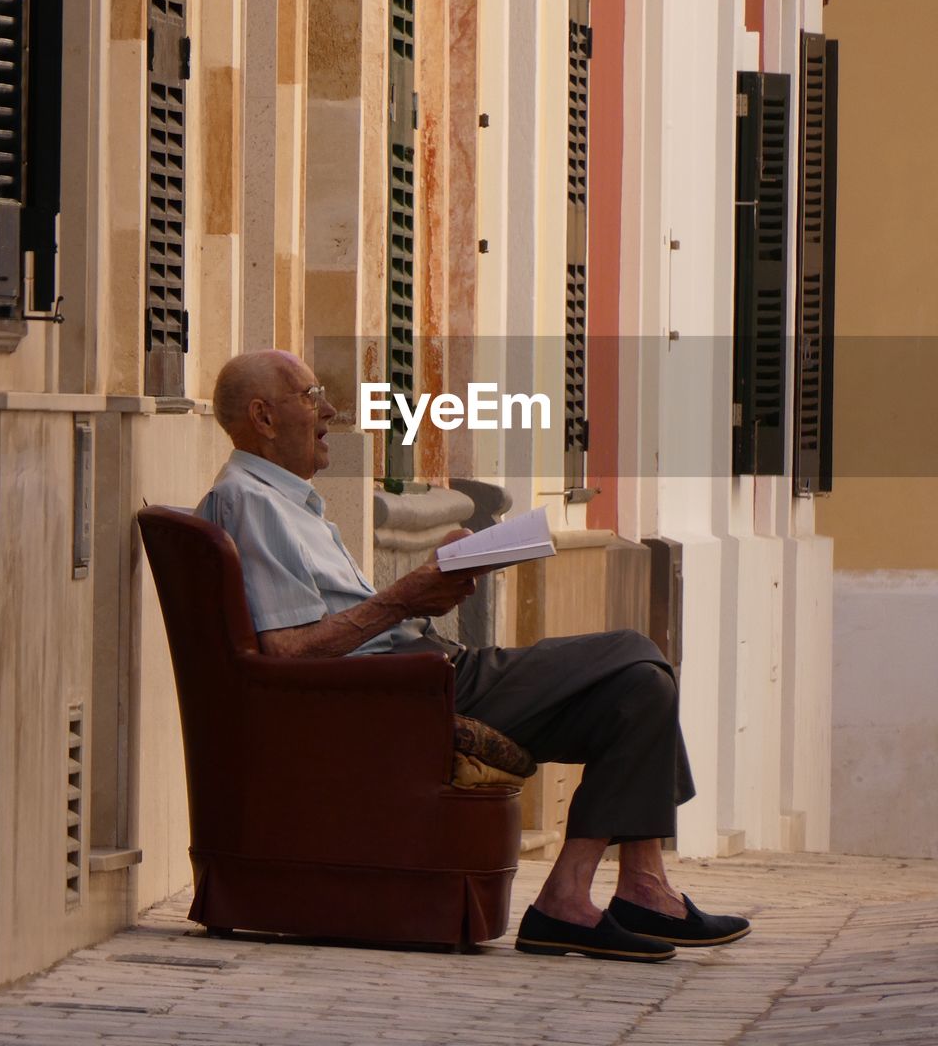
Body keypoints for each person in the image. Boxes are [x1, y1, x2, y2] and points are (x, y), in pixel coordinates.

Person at [197, 349, 750, 962]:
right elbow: (288, 654)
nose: (330, 410)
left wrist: (432, 576)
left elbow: (331, 623)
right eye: (311, 395)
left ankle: (606, 893)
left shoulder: (285, 502)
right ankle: (604, 896)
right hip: (406, 694)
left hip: (411, 676)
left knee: (642, 687)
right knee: (634, 650)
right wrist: (407, 597)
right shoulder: (251, 502)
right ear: (263, 418)